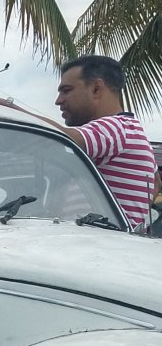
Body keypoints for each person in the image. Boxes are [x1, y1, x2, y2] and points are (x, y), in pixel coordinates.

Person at [54, 55, 155, 232]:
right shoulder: (129, 132)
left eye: (66, 90)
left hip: (98, 244)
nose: (58, 101)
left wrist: (10, 108)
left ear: (96, 89)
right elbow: (156, 182)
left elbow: (65, 138)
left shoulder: (117, 127)